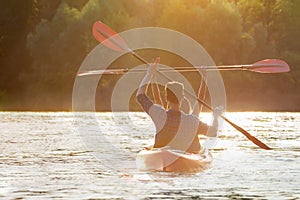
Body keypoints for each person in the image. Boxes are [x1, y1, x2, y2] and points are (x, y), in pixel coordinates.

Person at [136, 58, 222, 154]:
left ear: (166, 98)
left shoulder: (159, 115)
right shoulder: (192, 121)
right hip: (186, 156)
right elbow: (213, 132)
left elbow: (140, 96)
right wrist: (215, 117)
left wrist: (150, 74)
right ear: (182, 98)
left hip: (163, 154)